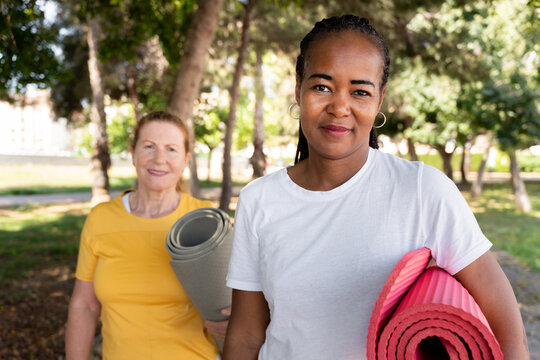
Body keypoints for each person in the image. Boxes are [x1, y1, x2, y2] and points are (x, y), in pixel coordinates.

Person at [223, 15, 529, 360]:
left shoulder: (421, 190)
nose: (339, 107)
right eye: (322, 87)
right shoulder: (259, 200)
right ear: (299, 89)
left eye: (360, 92)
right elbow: (247, 334)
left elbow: (507, 332)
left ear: (379, 99)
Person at [66, 111, 229, 360]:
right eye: (149, 147)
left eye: (171, 149)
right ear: (132, 154)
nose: (159, 158)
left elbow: (239, 303)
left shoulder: (205, 220)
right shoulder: (101, 219)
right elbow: (84, 306)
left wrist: (234, 323)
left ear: (186, 160)